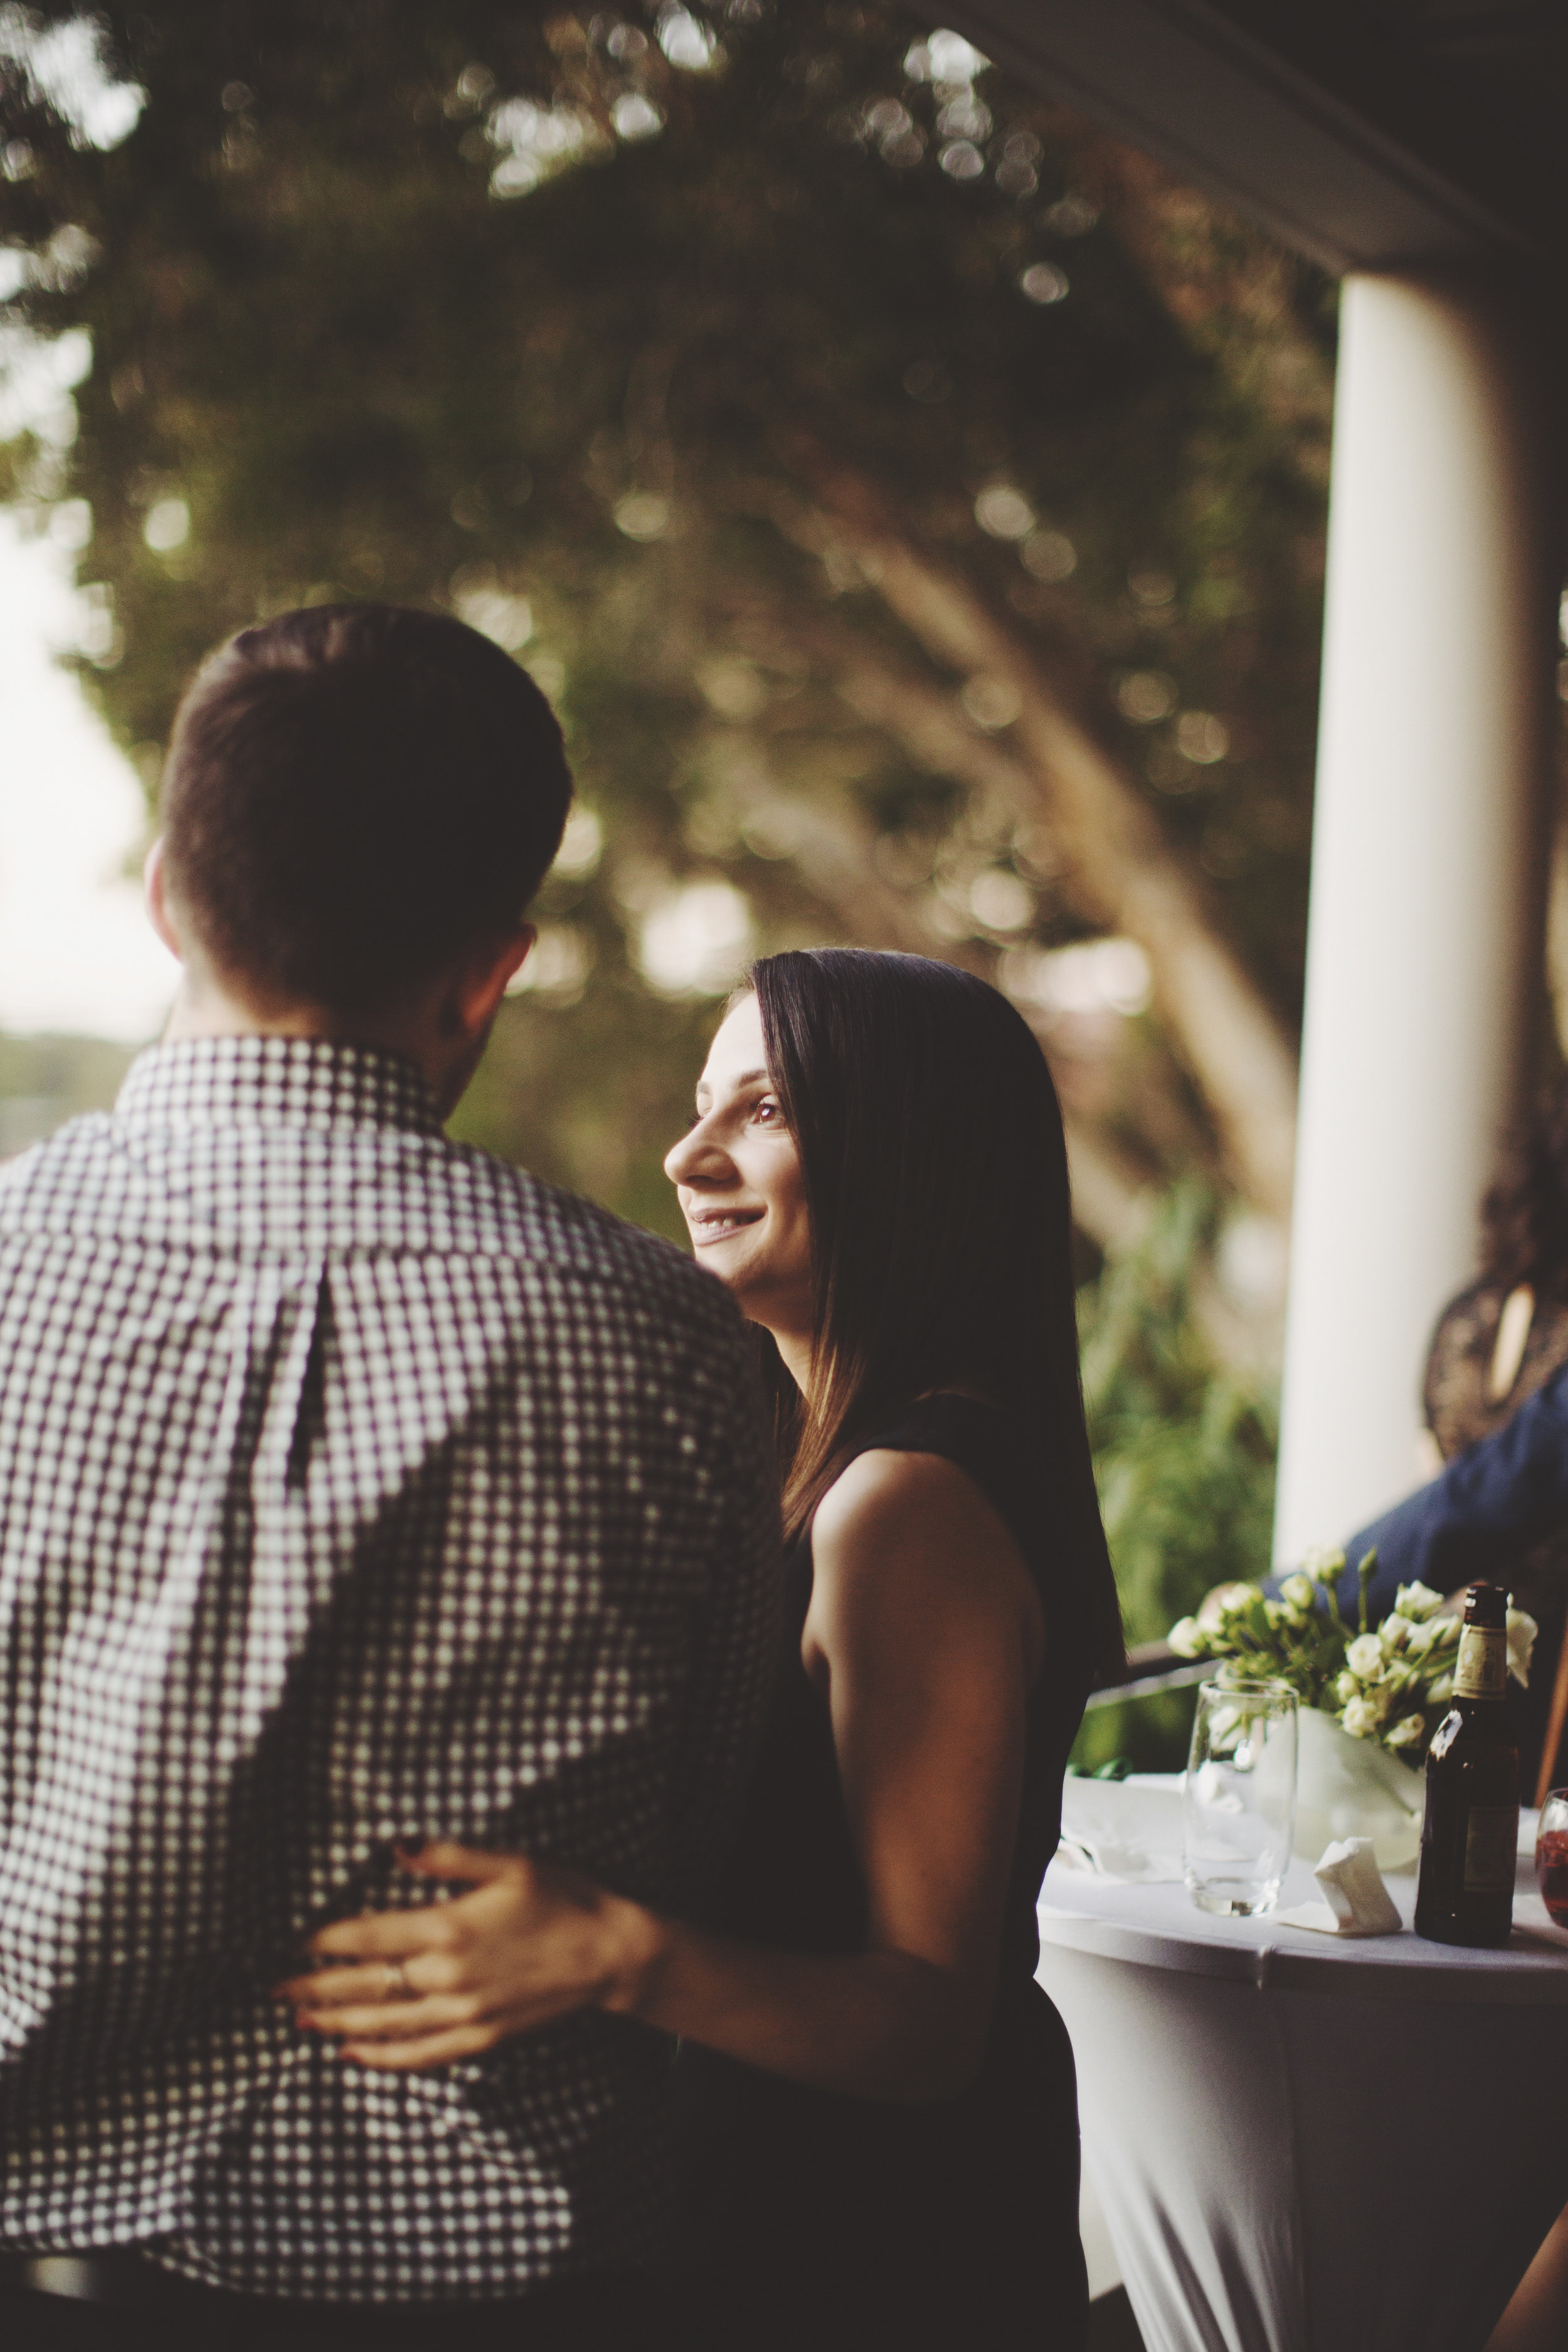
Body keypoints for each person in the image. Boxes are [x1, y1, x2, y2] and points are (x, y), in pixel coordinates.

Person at [0, 604, 778, 2351]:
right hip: (500, 2284)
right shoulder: (663, 1342)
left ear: (166, 897)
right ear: (487, 971)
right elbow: (709, 1807)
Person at [283, 947, 1125, 2351]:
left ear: (907, 1148)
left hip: (867, 2246)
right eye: (700, 1104)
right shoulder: (809, 1461)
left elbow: (928, 2018)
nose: (688, 1154)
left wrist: (607, 1954)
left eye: (766, 1110)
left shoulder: (902, 1505)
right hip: (773, 2191)